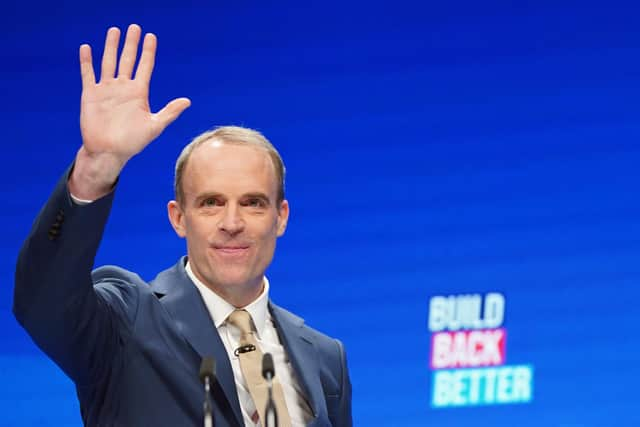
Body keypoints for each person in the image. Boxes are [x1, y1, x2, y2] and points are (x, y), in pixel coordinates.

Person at [13, 24, 352, 427]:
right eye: (211, 203)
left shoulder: (325, 357)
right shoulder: (126, 323)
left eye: (253, 203)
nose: (232, 222)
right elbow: (43, 302)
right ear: (178, 217)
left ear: (281, 218)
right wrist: (97, 167)